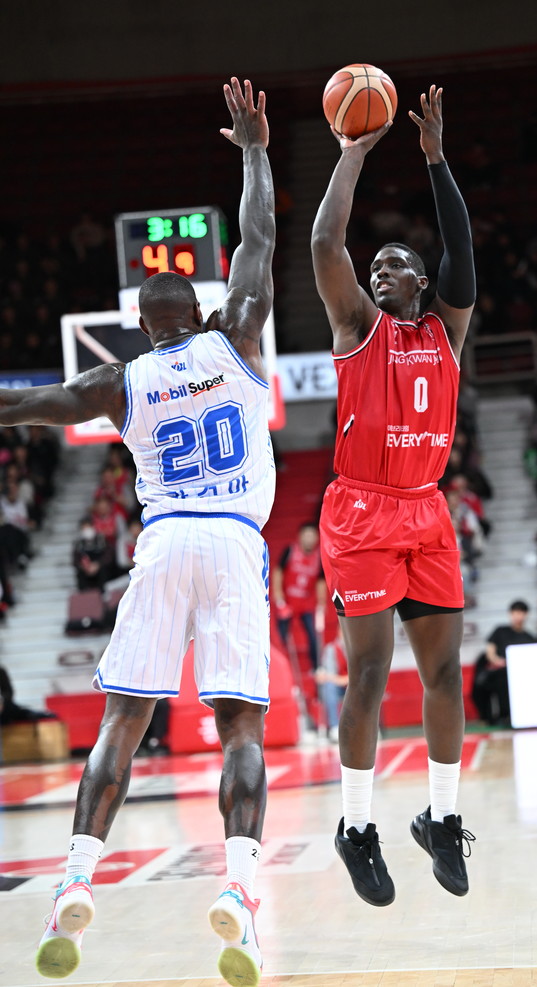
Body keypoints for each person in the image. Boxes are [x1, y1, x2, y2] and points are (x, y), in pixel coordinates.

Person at [3, 79, 275, 987]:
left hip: (161, 545)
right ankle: (239, 893)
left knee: (123, 720)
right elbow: (260, 241)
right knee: (240, 728)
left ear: (138, 324)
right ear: (196, 311)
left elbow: (30, 405)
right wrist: (253, 150)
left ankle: (75, 882)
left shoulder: (117, 382)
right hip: (232, 541)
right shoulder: (236, 335)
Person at [311, 84, 476, 906]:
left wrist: (437, 159)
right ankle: (356, 826)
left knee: (445, 674)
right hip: (362, 510)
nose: (380, 271)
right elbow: (325, 241)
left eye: (395, 264)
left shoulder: (446, 329)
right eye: (374, 266)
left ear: (421, 281)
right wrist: (351, 154)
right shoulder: (355, 327)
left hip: (426, 508)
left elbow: (462, 251)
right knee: (371, 674)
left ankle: (442, 818)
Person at [271, 521, 325, 670]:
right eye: (306, 535)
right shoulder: (290, 551)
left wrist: (321, 604)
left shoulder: (319, 557)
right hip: (287, 602)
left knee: (313, 636)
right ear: (300, 536)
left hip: (306, 604)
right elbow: (278, 572)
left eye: (312, 536)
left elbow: (321, 581)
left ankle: (316, 668)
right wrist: (279, 598)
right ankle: (280, 668)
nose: (309, 539)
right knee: (281, 637)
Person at [472, 600, 535, 725]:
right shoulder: (500, 631)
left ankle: (508, 715)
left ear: (526, 614)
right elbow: (490, 651)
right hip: (498, 670)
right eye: (515, 612)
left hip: (518, 673)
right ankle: (491, 717)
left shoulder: (529, 638)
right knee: (494, 680)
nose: (517, 616)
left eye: (520, 613)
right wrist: (497, 661)